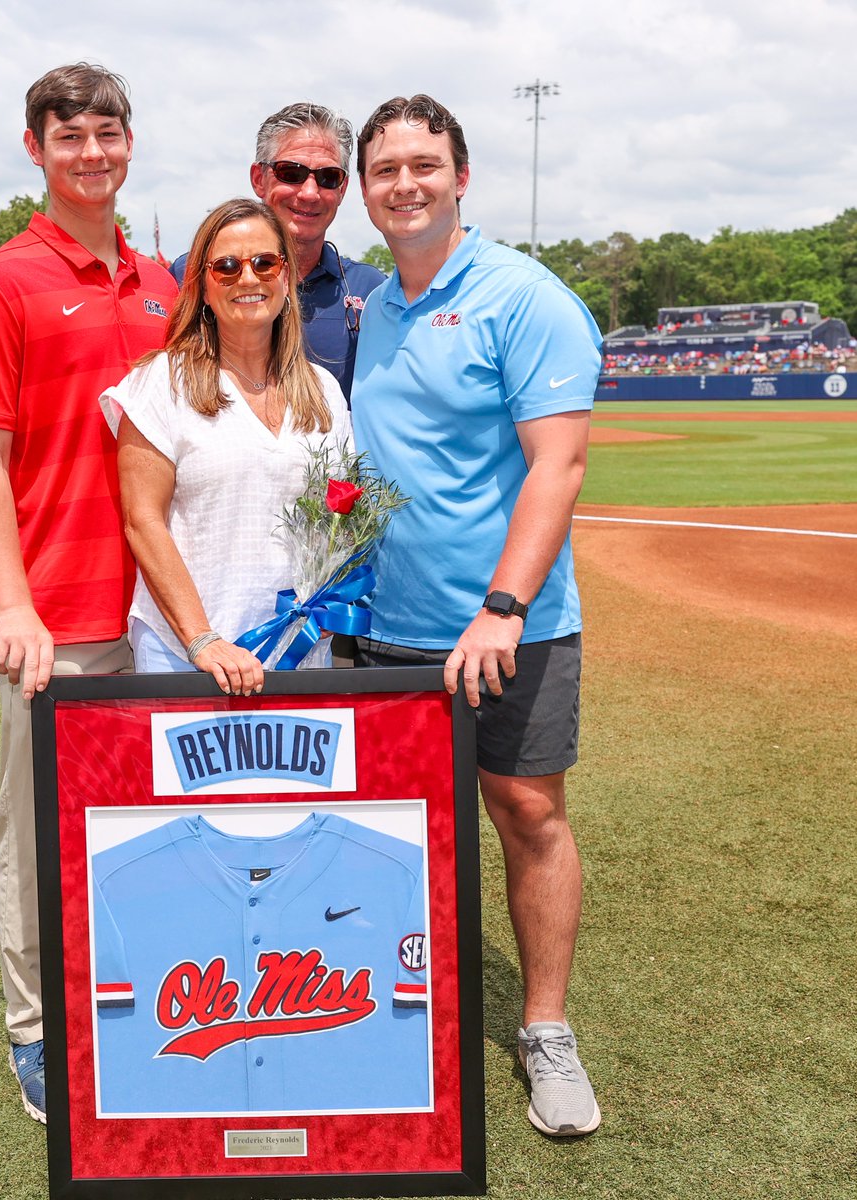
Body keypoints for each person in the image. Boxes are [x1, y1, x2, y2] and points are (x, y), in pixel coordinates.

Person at [350, 95, 603, 1139]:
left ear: (460, 176)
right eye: (384, 169)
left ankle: (543, 1029)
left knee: (525, 812)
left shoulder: (521, 294)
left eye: (422, 163)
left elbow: (559, 461)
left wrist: (500, 604)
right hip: (379, 623)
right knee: (385, 830)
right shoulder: (374, 303)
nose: (402, 183)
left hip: (509, 626)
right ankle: (396, 1009)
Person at [0, 62, 177, 1126]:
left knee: (158, 826)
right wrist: (14, 605)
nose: (91, 152)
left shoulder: (166, 281)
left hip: (163, 614)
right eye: (67, 136)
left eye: (106, 133)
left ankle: (147, 998)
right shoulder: (2, 282)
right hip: (61, 614)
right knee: (35, 835)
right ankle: (36, 1031)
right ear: (35, 149)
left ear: (129, 143)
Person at [105, 198, 350, 693]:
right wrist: (202, 640)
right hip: (187, 659)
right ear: (201, 287)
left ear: (286, 276)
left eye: (265, 262)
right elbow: (142, 521)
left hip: (299, 654)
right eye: (226, 267)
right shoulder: (161, 382)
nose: (248, 279)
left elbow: (341, 514)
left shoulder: (323, 389)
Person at [172, 103, 384, 404]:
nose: (309, 193)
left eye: (328, 177)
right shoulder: (191, 274)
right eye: (291, 172)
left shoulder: (372, 290)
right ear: (259, 178)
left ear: (343, 189)